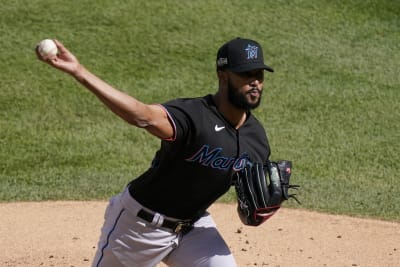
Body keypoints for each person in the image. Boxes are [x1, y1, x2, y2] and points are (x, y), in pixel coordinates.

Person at [36, 37, 275, 267]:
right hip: (140, 227)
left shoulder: (257, 139)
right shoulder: (194, 116)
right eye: (245, 74)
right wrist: (79, 72)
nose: (255, 82)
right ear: (222, 76)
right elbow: (142, 116)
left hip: (192, 227)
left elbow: (249, 191)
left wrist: (260, 205)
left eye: (259, 75)